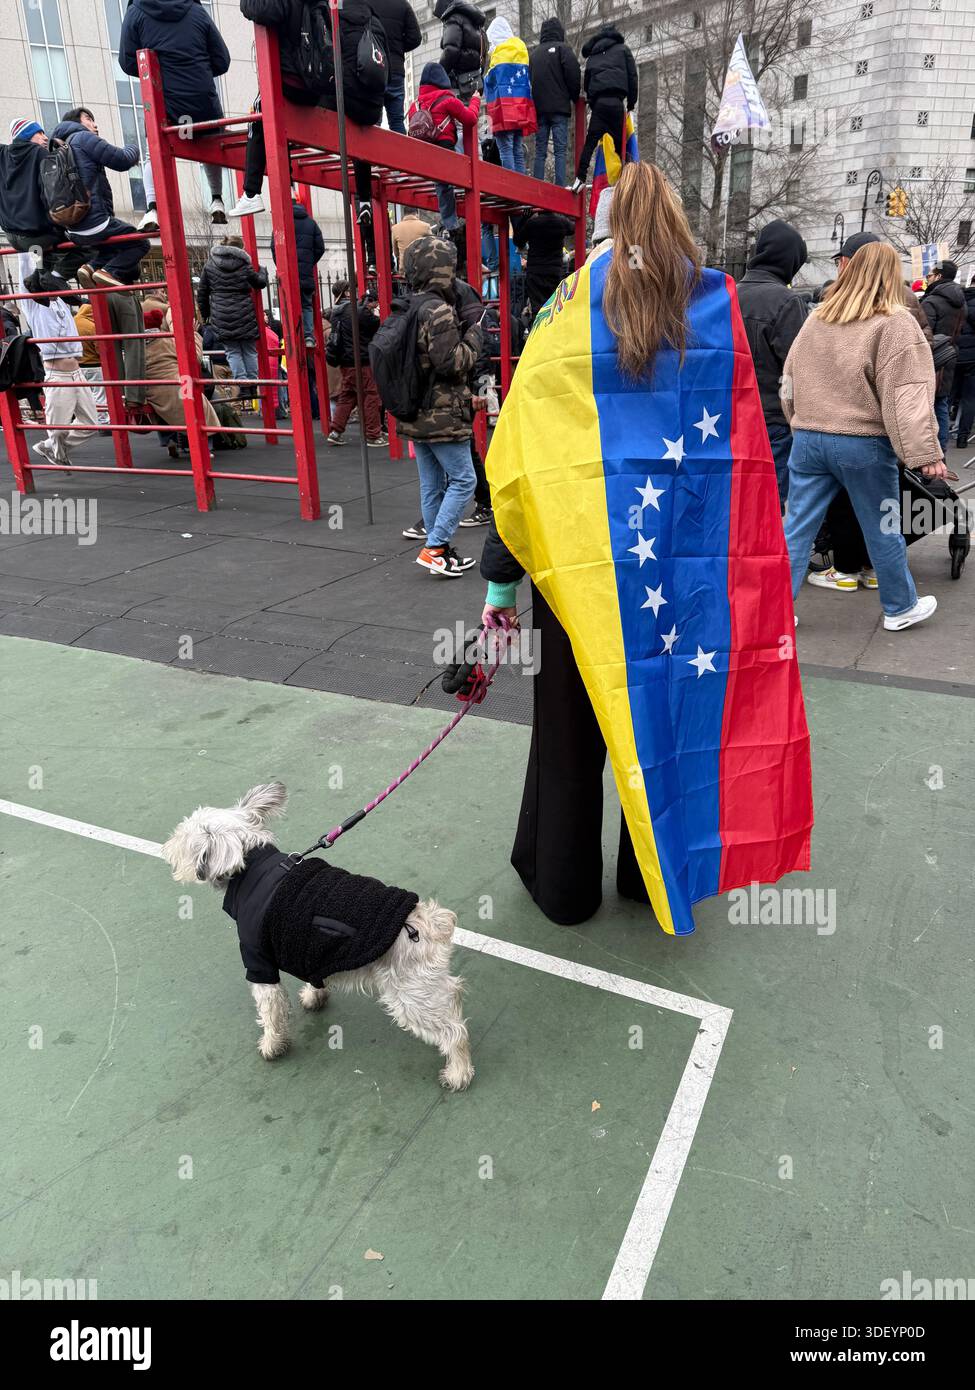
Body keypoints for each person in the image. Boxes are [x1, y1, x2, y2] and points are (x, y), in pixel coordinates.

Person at [478, 161, 811, 931]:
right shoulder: (718, 306)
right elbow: (754, 436)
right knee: (671, 716)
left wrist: (500, 584)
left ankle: (563, 886)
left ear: (595, 232)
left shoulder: (562, 310)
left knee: (568, 731)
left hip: (581, 568)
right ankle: (649, 872)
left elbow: (518, 463)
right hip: (691, 564)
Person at [781, 242, 942, 631]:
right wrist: (924, 454)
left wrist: (798, 421)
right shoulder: (895, 323)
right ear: (891, 275)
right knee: (883, 526)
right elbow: (908, 396)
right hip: (863, 442)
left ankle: (773, 612)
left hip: (809, 437)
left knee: (795, 527)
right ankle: (900, 606)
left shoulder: (818, 319)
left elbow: (788, 381)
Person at [397, 235, 482, 576]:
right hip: (443, 413)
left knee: (432, 484)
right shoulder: (439, 310)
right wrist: (474, 336)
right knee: (464, 481)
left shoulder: (408, 306)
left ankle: (439, 551)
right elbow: (451, 362)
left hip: (414, 409)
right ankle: (435, 547)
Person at [118, 0, 231, 231]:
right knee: (209, 146)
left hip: (168, 107)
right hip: (203, 106)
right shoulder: (197, 11)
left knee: (153, 150)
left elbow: (128, 61)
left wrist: (158, 70)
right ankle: (217, 198)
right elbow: (223, 60)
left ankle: (152, 208)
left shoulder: (136, 12)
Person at [735, 219, 808, 508]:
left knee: (735, 501)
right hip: (771, 421)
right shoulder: (787, 302)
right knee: (766, 506)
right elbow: (800, 367)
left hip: (725, 417)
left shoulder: (726, 294)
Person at [50, 109, 149, 285]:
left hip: (74, 230)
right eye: (88, 119)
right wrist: (133, 146)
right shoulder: (82, 138)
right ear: (77, 123)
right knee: (140, 243)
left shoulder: (59, 148)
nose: (95, 124)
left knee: (110, 250)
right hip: (95, 223)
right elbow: (123, 160)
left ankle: (88, 268)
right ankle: (110, 272)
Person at [19, 269, 100, 467]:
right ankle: (55, 448)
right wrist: (33, 248)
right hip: (58, 374)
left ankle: (49, 447)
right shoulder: (35, 305)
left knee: (91, 424)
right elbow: (26, 271)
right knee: (58, 428)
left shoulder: (61, 301)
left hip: (77, 372)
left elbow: (54, 268)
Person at [409, 63, 479, 230]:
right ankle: (451, 226)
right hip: (445, 146)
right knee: (462, 142)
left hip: (424, 151)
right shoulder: (447, 100)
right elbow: (471, 119)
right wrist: (475, 100)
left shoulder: (415, 105)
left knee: (441, 185)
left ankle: (449, 224)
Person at [143, 303, 220, 456]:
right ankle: (202, 445)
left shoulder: (137, 345)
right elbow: (194, 358)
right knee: (197, 405)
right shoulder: (168, 341)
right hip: (179, 384)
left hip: (152, 390)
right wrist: (193, 334)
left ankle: (169, 440)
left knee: (162, 411)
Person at [569, 23, 637, 192]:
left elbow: (587, 82)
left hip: (599, 104)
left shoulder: (593, 56)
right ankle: (628, 181)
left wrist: (592, 102)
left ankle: (580, 178)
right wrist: (631, 103)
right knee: (621, 144)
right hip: (616, 102)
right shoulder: (623, 50)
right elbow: (632, 76)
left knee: (590, 143)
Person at [197, 235, 269, 387]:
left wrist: (206, 315)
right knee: (249, 350)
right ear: (240, 249)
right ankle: (253, 384)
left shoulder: (210, 265)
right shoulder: (244, 264)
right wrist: (263, 271)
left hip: (221, 314)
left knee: (233, 351)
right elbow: (260, 283)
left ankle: (242, 384)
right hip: (244, 313)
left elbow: (202, 293)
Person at [325, 284, 385, 446]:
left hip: (345, 361)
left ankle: (336, 431)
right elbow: (378, 326)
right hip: (362, 360)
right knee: (371, 395)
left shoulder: (336, 312)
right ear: (347, 292)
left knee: (348, 395)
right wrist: (375, 313)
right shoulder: (360, 312)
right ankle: (373, 434)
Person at [921, 259, 966, 453]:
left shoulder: (932, 301)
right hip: (950, 355)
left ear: (938, 276)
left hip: (932, 356)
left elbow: (923, 333)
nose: (927, 279)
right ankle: (940, 448)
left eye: (929, 275)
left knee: (930, 404)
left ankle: (931, 449)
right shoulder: (960, 302)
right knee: (942, 401)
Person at [529, 17, 581, 186]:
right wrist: (573, 96)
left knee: (540, 151)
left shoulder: (534, 54)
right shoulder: (563, 50)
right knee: (560, 150)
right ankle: (559, 188)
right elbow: (574, 74)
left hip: (540, 109)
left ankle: (536, 187)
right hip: (559, 108)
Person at [0, 119, 59, 262]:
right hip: (36, 235)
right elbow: (51, 195)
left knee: (41, 258)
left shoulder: (3, 155)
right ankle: (48, 276)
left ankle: (40, 276)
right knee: (83, 245)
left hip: (11, 236)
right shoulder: (40, 154)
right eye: (39, 133)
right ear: (26, 135)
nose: (45, 137)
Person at [483, 17, 536, 174]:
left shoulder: (500, 54)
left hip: (504, 112)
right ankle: (522, 188)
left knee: (505, 149)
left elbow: (491, 82)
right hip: (521, 110)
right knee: (518, 150)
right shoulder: (521, 52)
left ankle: (512, 189)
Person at [273, 199, 325, 347]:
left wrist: (283, 266)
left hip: (288, 274)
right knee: (307, 305)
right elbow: (320, 248)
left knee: (288, 305)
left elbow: (274, 247)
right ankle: (308, 337)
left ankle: (292, 337)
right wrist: (309, 263)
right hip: (305, 274)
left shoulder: (281, 222)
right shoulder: (311, 223)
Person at [368, 0, 422, 134]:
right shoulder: (403, 5)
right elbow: (415, 38)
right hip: (396, 69)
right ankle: (401, 154)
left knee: (374, 120)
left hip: (375, 66)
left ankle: (373, 153)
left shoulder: (367, 4)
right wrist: (399, 48)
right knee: (397, 120)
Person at [512, 208, 574, 317]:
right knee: (555, 309)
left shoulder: (532, 224)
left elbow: (517, 240)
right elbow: (573, 228)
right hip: (554, 272)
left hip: (536, 272)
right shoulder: (561, 222)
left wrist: (524, 218)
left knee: (538, 310)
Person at [435, 0, 487, 103]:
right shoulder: (473, 20)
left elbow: (451, 50)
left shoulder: (453, 18)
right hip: (474, 80)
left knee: (459, 116)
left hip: (459, 83)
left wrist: (439, 72)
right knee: (471, 115)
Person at [73, 299, 109, 423]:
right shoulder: (92, 326)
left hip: (78, 365)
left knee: (84, 396)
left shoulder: (72, 322)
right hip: (95, 365)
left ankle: (86, 420)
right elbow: (99, 348)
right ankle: (102, 421)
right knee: (99, 395)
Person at [952, 271, 975, 449]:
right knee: (969, 399)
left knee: (947, 397)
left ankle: (938, 435)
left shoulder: (959, 301)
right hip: (972, 358)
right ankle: (962, 438)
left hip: (955, 353)